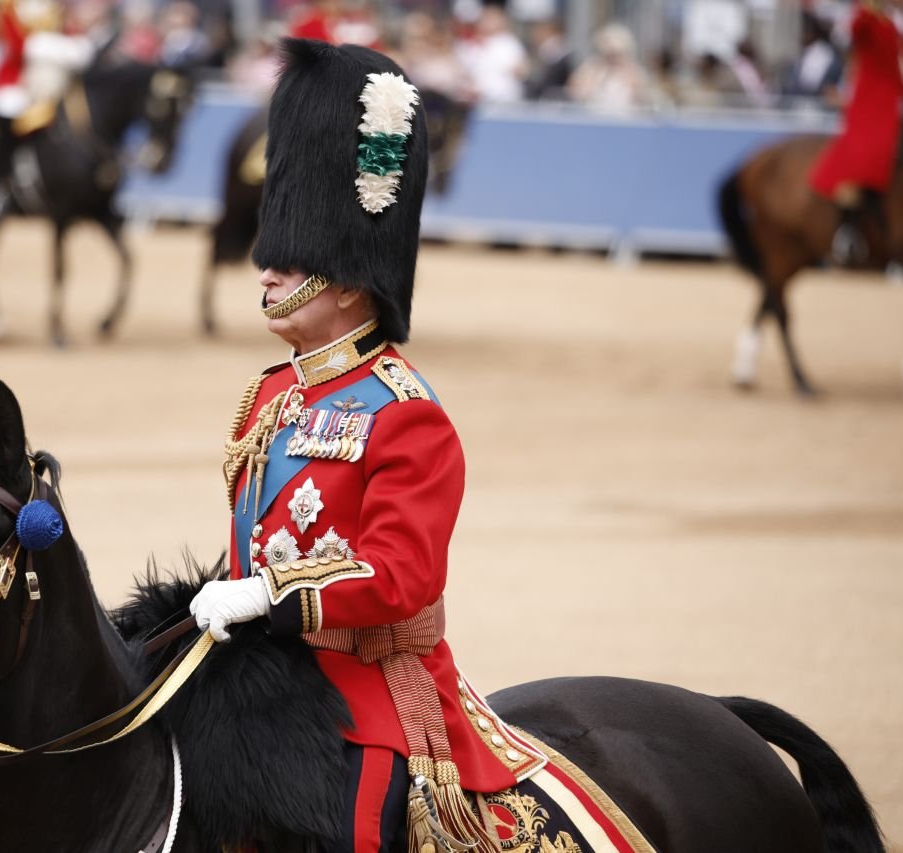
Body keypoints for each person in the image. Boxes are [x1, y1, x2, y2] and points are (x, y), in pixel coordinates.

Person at [189, 38, 531, 853]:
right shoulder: (271, 392)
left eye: (288, 260)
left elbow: (401, 576)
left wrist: (271, 594)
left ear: (345, 281)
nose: (265, 273)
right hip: (265, 676)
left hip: (370, 691)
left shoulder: (405, 413)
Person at [808, 0, 903, 266]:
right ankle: (848, 231)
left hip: (892, 107)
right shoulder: (868, 19)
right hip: (869, 110)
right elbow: (856, 29)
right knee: (861, 166)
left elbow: (902, 71)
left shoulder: (895, 25)